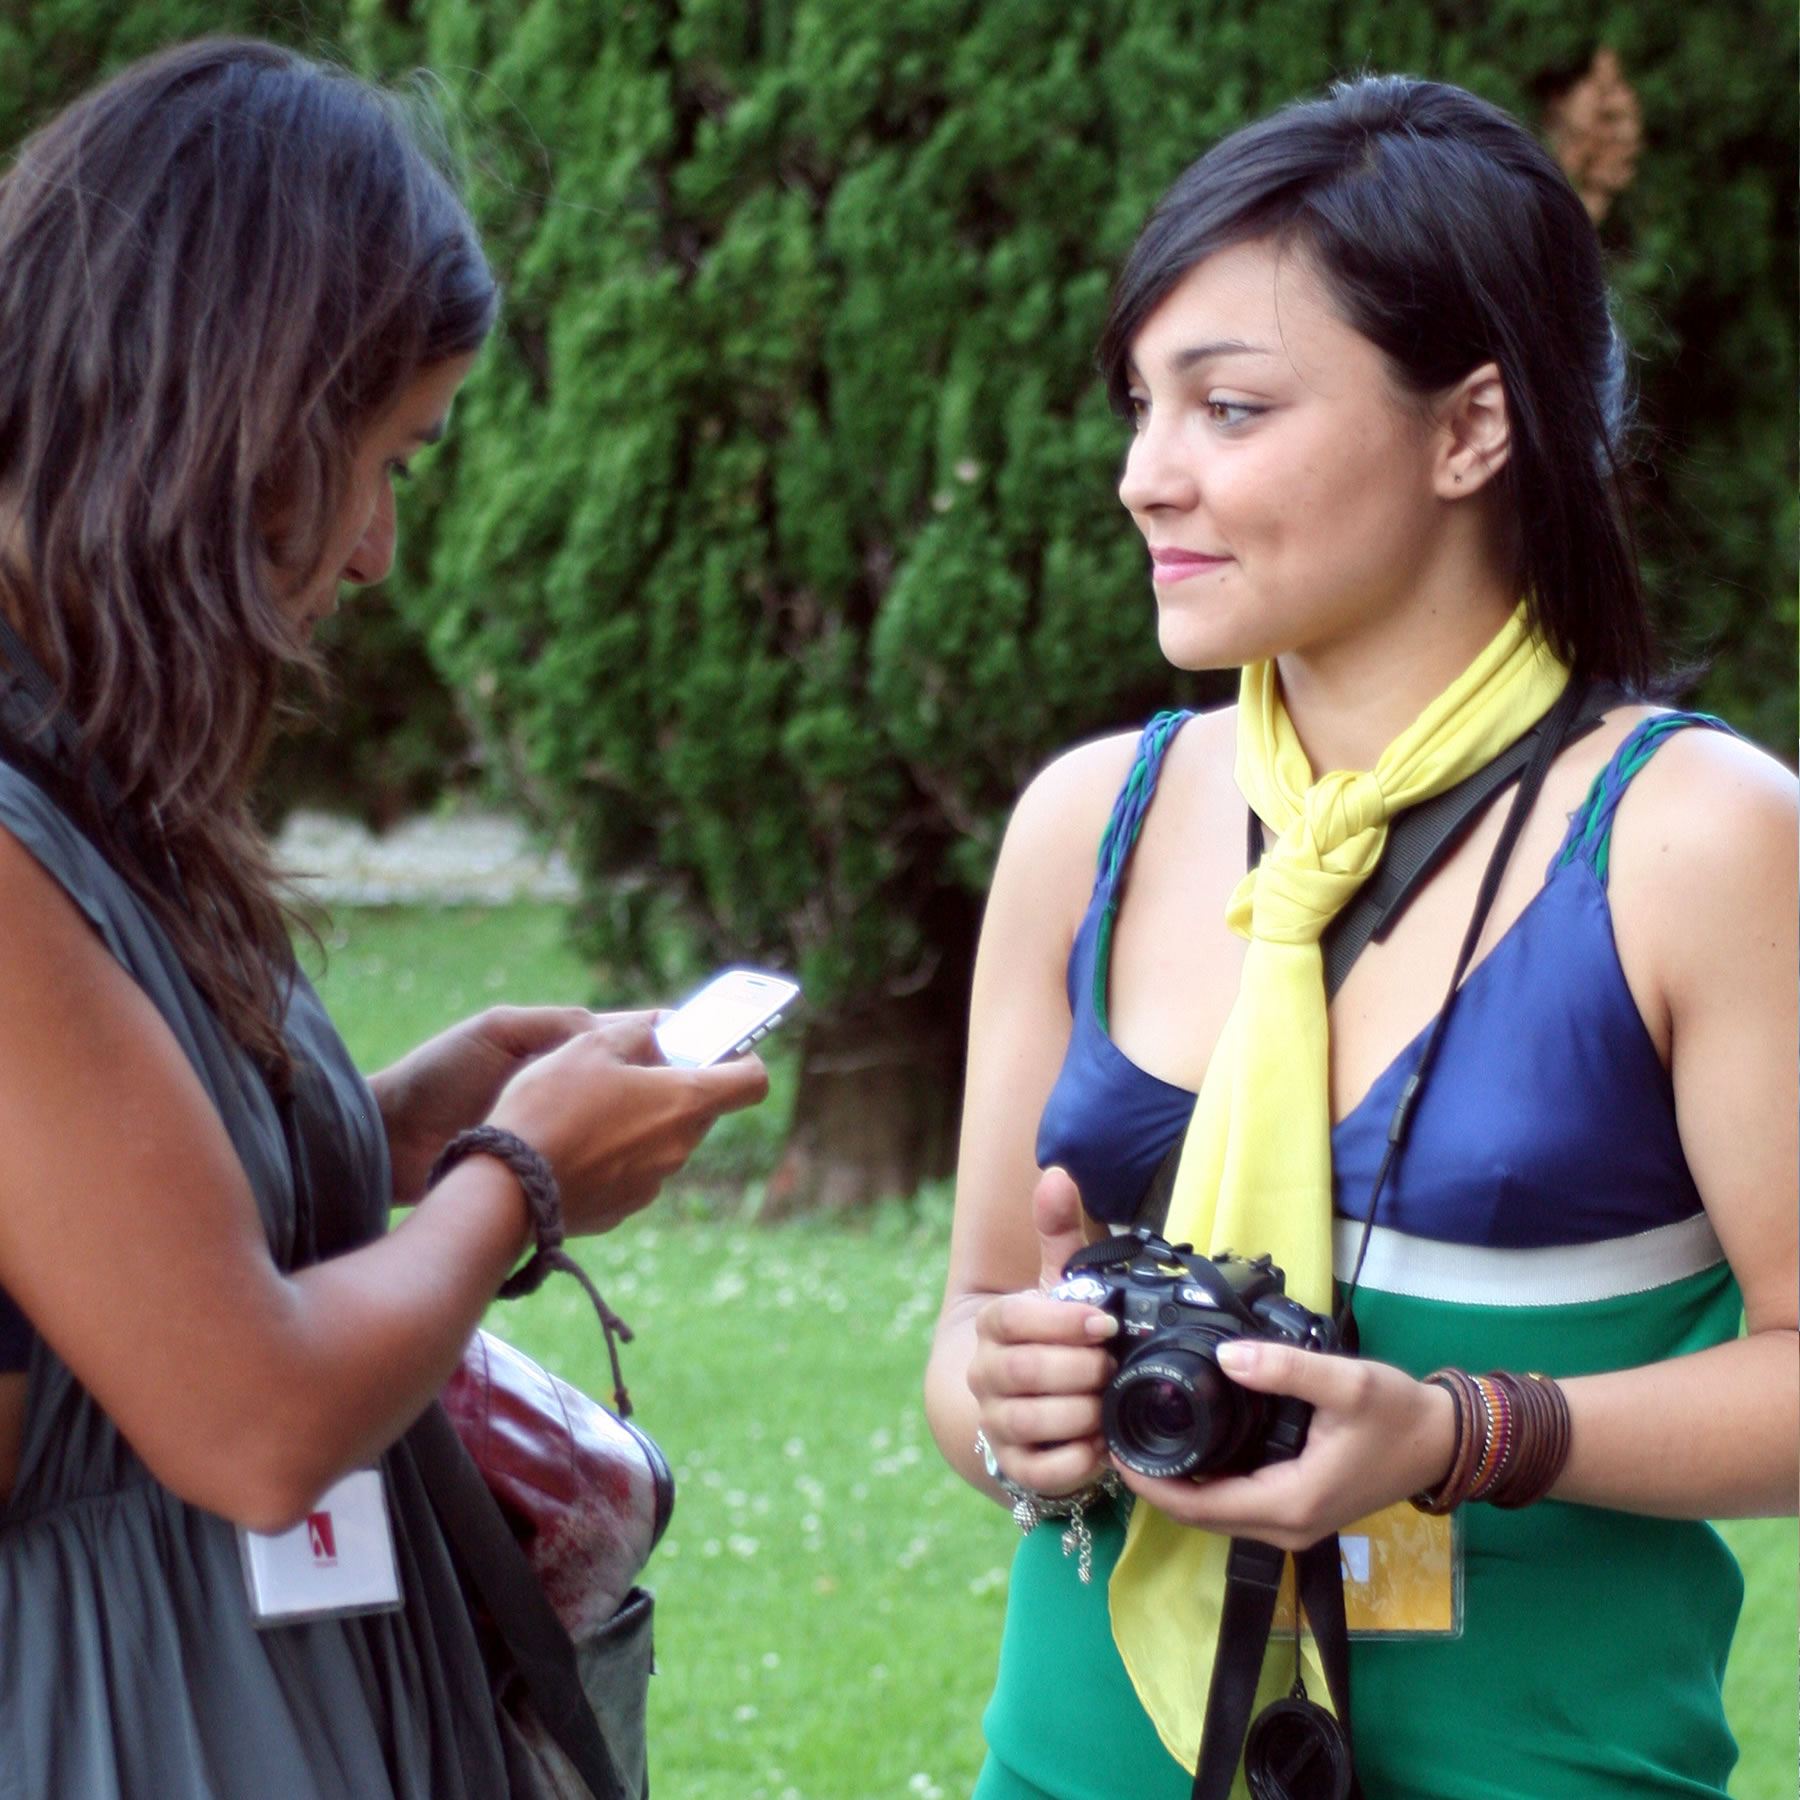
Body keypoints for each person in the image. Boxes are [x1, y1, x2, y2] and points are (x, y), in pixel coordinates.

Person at [924, 74, 1797, 1800]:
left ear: (1472, 429)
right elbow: (968, 1327)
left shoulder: (1698, 840)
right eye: (1139, 409)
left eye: (1229, 409)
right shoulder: (1083, 826)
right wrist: (1007, 1407)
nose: (1140, 478)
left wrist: (1465, 1431)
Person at [0, 39, 767, 1799]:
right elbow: (250, 1417)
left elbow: (122, 1246)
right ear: (230, 425)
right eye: (389, 457)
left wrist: (400, 1126)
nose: (379, 552)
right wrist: (523, 1179)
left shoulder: (95, 767)